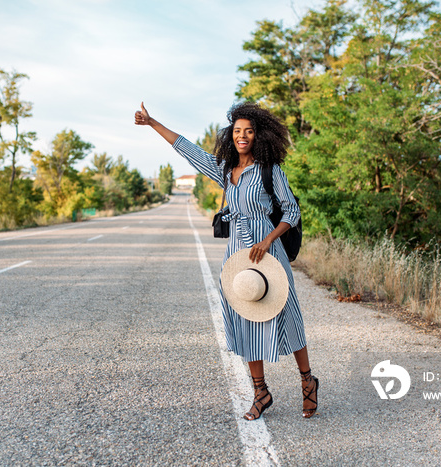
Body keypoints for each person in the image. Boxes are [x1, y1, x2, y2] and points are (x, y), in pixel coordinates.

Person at [134, 101, 318, 420]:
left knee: (287, 317)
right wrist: (153, 123)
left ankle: (308, 383)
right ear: (230, 136)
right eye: (237, 131)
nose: (242, 136)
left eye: (248, 131)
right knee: (245, 318)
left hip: (268, 253)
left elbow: (292, 212)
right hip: (237, 256)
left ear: (258, 136)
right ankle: (260, 392)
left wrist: (268, 239)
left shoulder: (269, 171)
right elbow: (186, 149)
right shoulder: (223, 170)